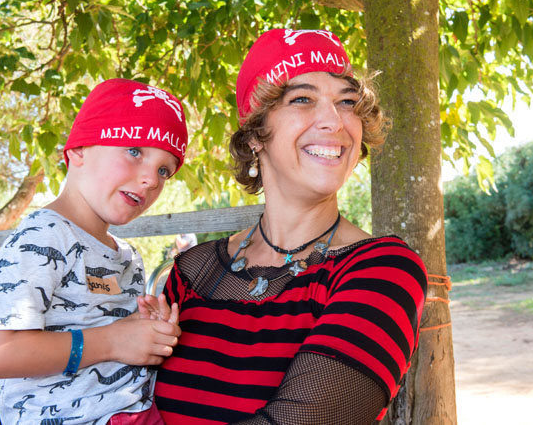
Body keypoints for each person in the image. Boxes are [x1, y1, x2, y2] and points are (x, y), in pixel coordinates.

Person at [149, 29, 428, 424]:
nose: (334, 121)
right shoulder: (193, 272)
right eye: (302, 99)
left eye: (347, 102)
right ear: (255, 135)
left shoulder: (382, 270)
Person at [0, 78, 187, 425]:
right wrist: (113, 341)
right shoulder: (43, 236)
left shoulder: (128, 256)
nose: (152, 180)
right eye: (134, 151)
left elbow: (108, 332)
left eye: (164, 170)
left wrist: (145, 331)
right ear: (79, 149)